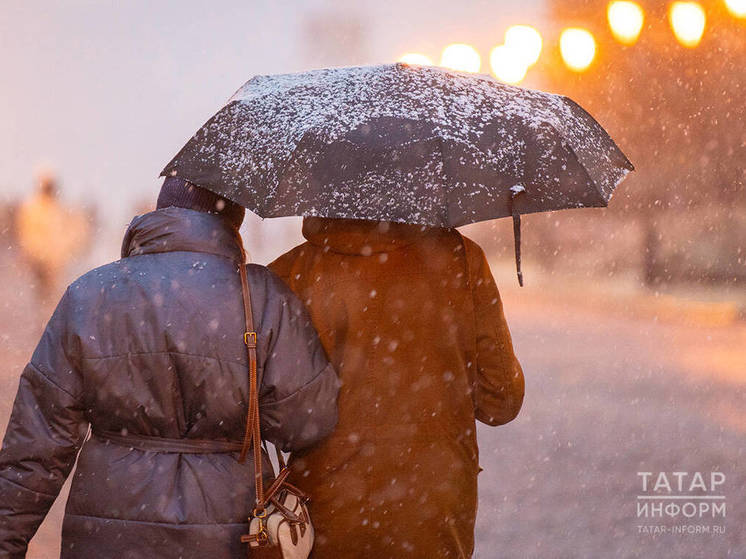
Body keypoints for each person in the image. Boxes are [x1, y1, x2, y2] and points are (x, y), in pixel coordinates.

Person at [0, 177, 339, 558]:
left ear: (160, 211)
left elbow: (36, 446)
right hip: (227, 532)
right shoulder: (262, 295)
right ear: (234, 221)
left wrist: (7, 541)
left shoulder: (90, 293)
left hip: (107, 531)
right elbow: (308, 421)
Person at [269, 217, 525, 558]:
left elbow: (275, 416)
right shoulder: (461, 258)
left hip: (325, 508)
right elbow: (501, 402)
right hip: (433, 509)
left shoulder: (291, 272)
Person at [14, 173, 90, 304]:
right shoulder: (32, 209)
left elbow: (77, 231)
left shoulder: (61, 209)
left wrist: (68, 249)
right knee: (39, 298)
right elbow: (25, 235)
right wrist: (34, 254)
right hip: (37, 263)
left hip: (56, 264)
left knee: (54, 299)